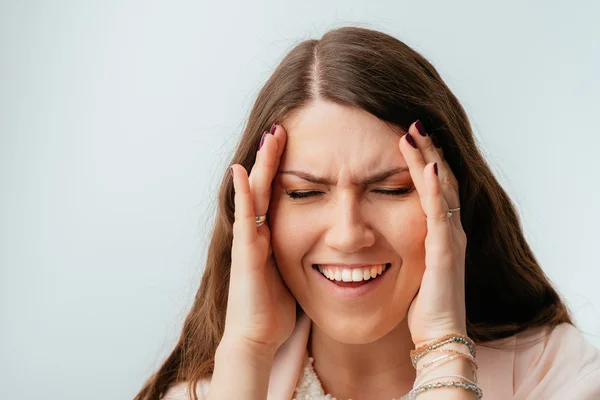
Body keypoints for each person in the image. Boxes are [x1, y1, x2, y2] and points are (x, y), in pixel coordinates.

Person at [134, 26, 600, 400]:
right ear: (256, 216)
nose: (348, 235)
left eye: (391, 189)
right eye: (303, 193)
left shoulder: (559, 378)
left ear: (452, 202)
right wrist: (247, 351)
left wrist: (443, 347)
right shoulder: (211, 393)